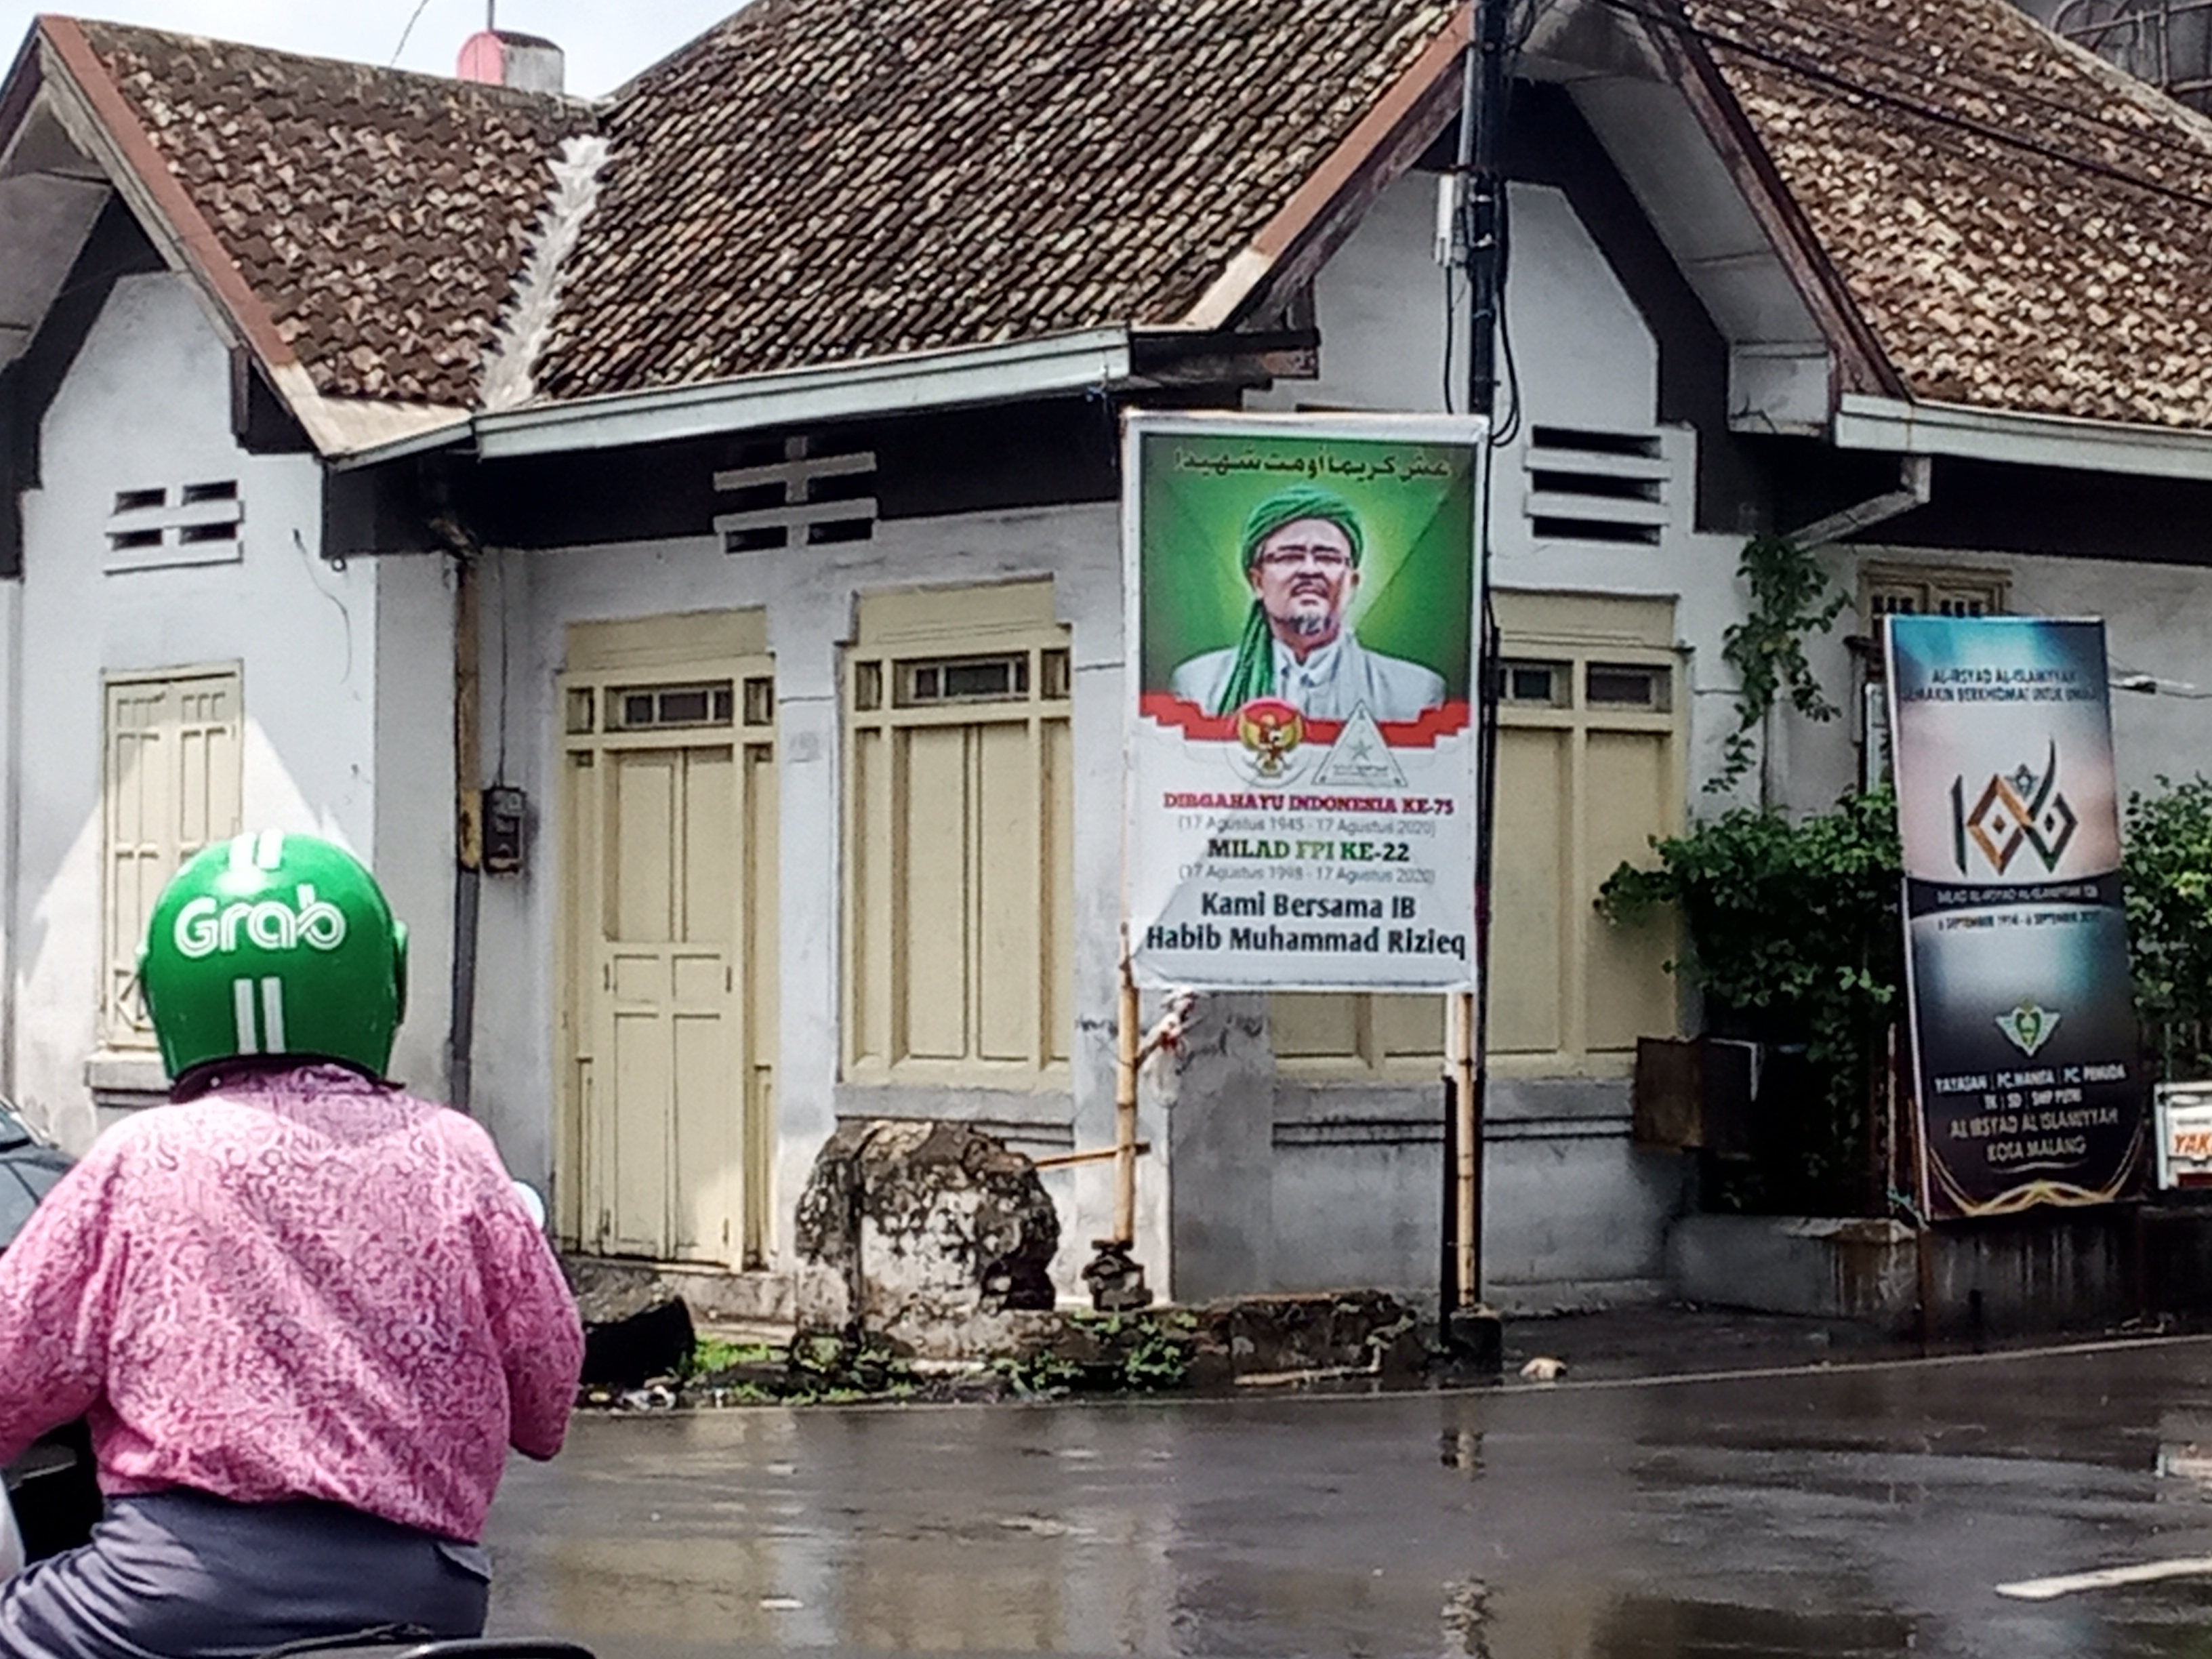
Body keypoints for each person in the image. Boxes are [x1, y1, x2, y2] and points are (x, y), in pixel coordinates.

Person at [0, 831, 584, 1656]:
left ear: (162, 993)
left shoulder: (143, 1157)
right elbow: (547, 1406)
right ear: (391, 978)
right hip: (432, 1595)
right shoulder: (459, 1153)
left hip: (177, 1592)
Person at [1169, 483, 1446, 723]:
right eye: (1290, 556)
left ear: (1352, 582)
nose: (1310, 570)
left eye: (1327, 557)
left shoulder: (1414, 693)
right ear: (1257, 581)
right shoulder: (1201, 685)